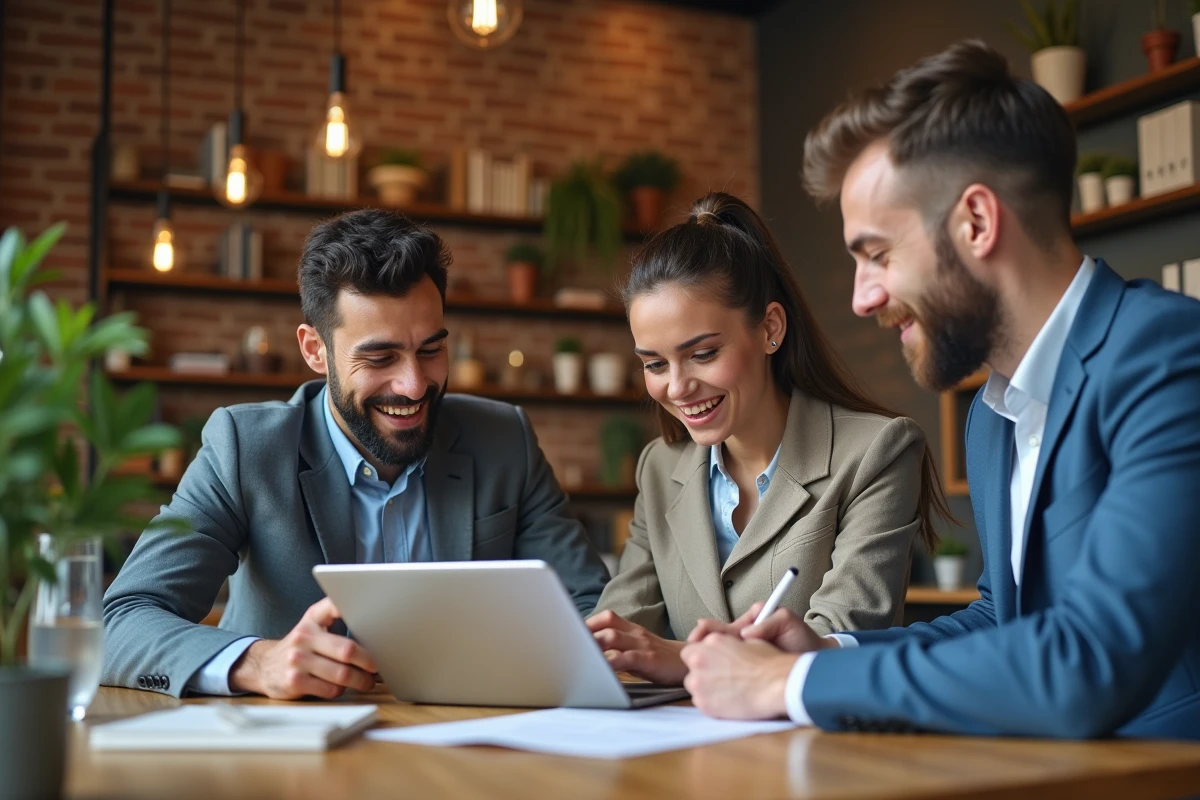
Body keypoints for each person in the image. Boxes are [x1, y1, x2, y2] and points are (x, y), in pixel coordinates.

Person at [679, 40, 1200, 740]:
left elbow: (1087, 660)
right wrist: (828, 651)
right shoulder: (993, 418)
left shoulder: (1168, 358)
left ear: (976, 223)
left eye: (877, 255)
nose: (863, 297)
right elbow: (1001, 619)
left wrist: (788, 683)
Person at [102, 208, 610, 700]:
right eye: (380, 357)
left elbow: (591, 609)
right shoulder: (246, 448)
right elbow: (121, 622)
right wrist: (259, 663)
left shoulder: (504, 439)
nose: (413, 385)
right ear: (314, 349)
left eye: (430, 350)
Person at [586, 192, 952, 685]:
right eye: (654, 363)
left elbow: (843, 634)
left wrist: (679, 658)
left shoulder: (877, 452)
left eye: (703, 353)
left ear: (770, 329)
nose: (676, 387)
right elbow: (622, 627)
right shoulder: (659, 466)